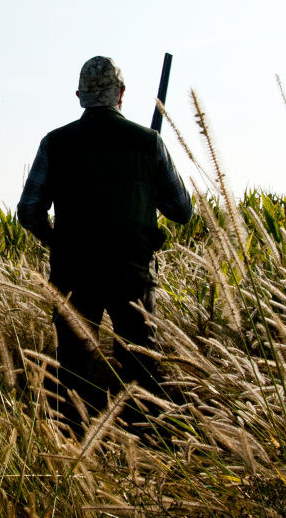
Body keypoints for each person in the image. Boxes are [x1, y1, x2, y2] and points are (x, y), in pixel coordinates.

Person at [17, 55, 192, 435]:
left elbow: (29, 211)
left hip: (73, 274)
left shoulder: (55, 143)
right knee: (142, 365)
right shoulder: (149, 142)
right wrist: (144, 194)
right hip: (132, 274)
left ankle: (68, 452)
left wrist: (59, 242)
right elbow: (181, 210)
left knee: (74, 369)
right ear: (122, 94)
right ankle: (155, 447)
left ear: (80, 96)